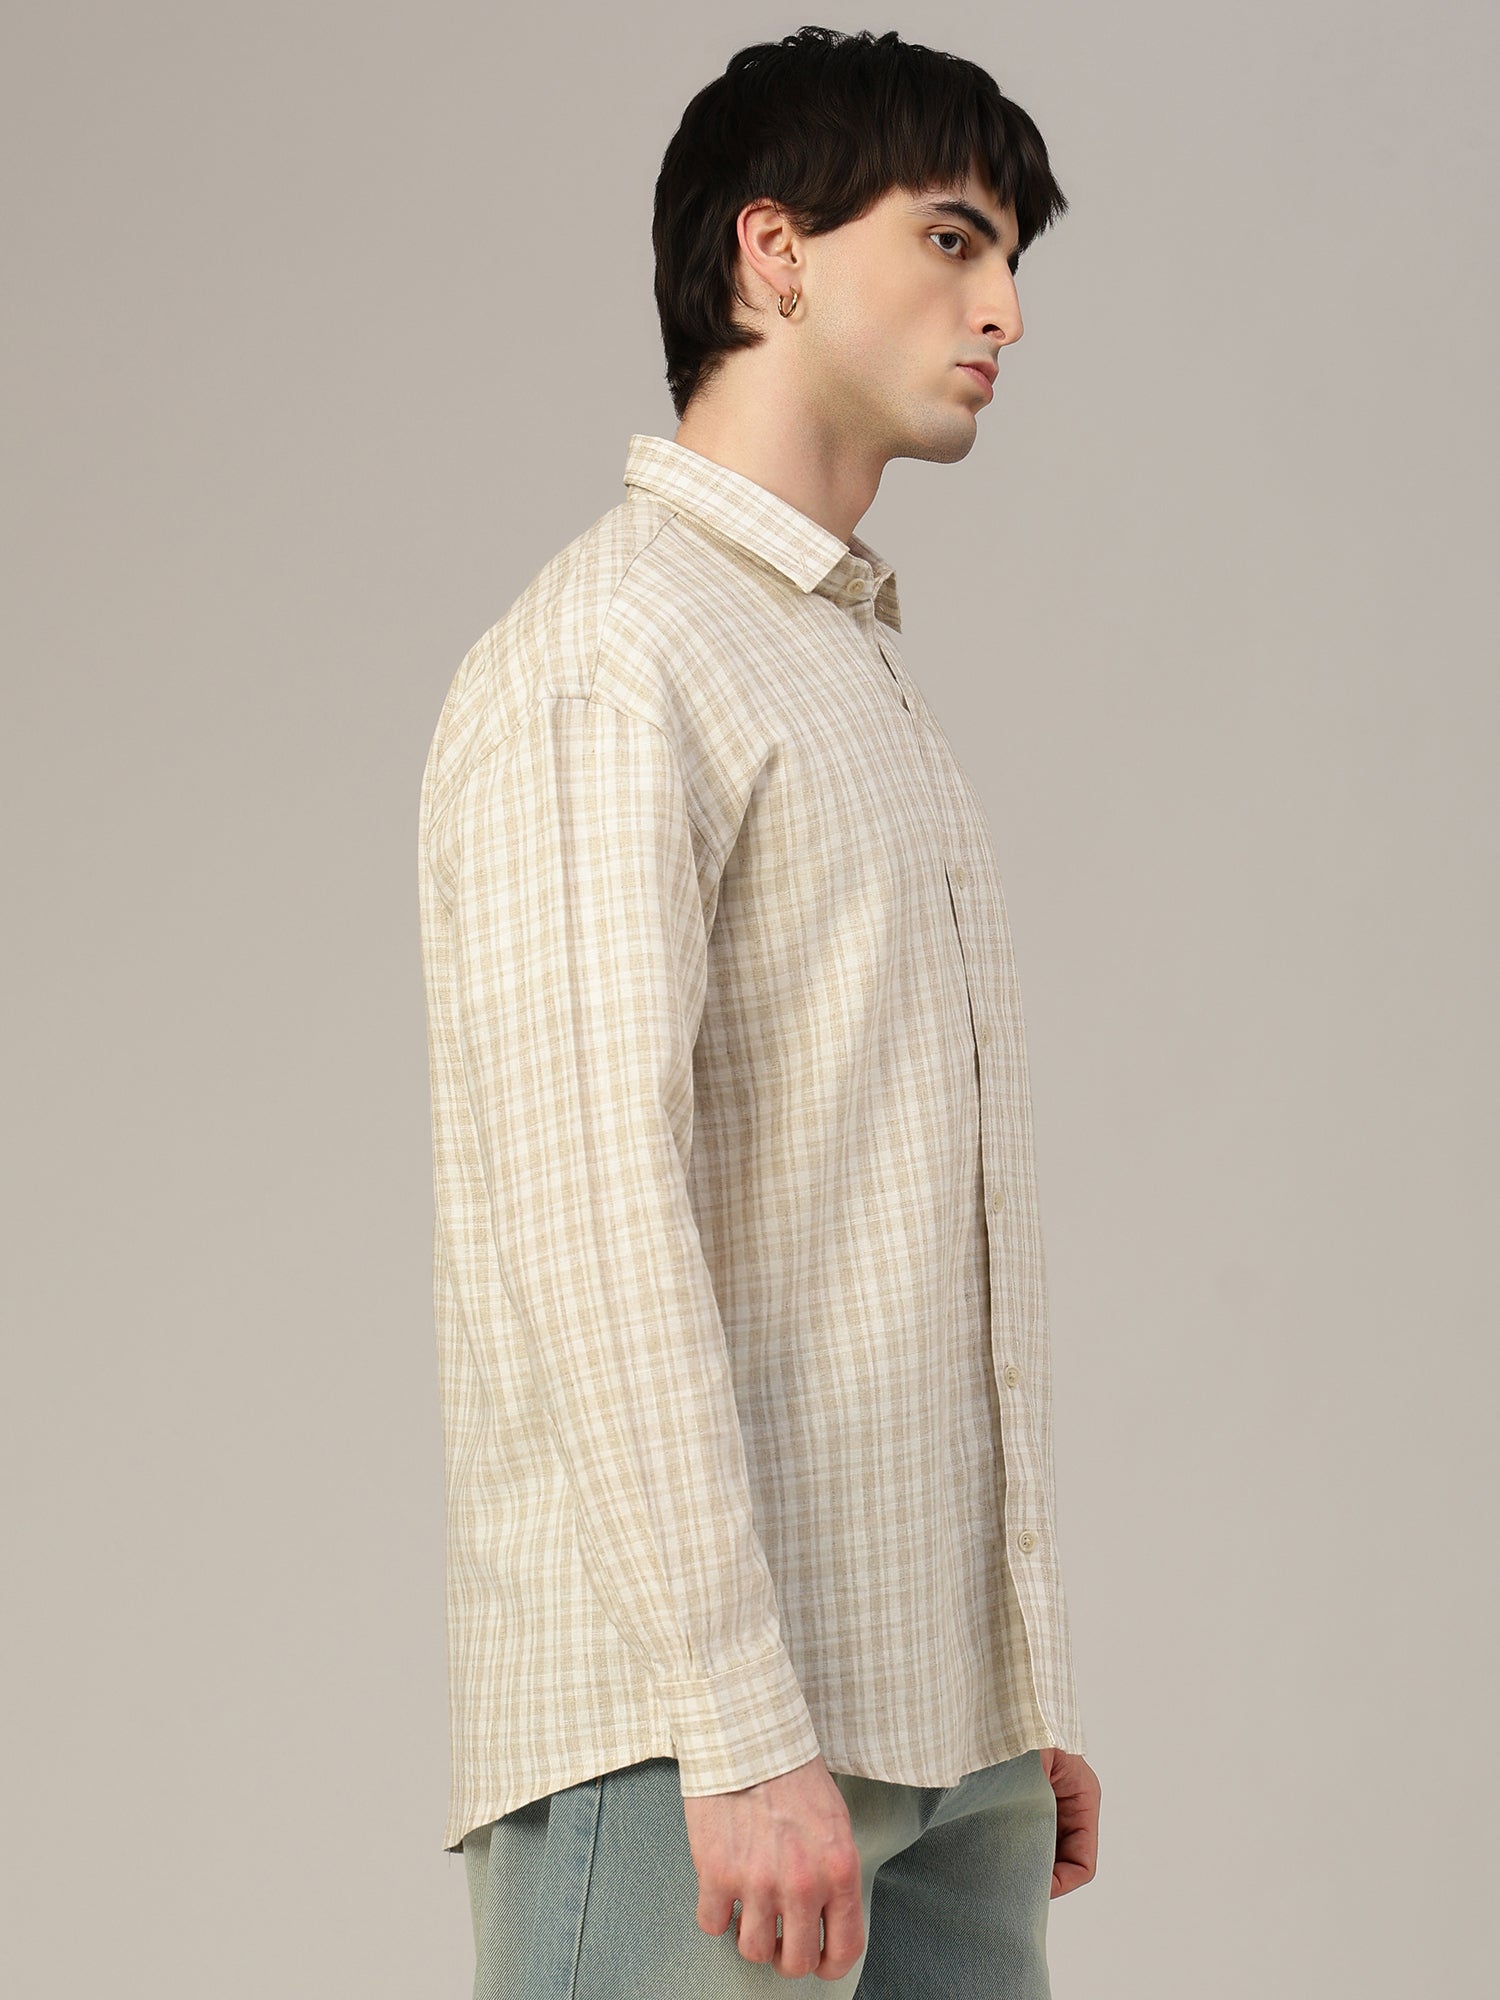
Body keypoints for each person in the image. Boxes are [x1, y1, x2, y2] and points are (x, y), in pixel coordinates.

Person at [417, 24, 1101, 1996]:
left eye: (1014, 259)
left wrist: (1005, 1687)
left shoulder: (835, 664)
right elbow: (592, 1214)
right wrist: (735, 1717)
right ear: (774, 252)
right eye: (956, 240)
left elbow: (872, 1208)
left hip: (932, 1739)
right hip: (700, 1744)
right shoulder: (614, 654)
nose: (1006, 309)